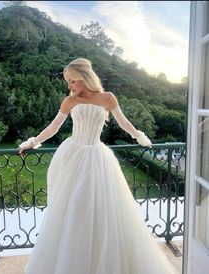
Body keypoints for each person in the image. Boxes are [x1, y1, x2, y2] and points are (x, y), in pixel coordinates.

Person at [18, 58, 177, 274]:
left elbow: (122, 122)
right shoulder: (70, 101)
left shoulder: (107, 98)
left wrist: (140, 136)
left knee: (100, 207)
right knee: (72, 207)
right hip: (73, 155)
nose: (69, 86)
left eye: (72, 81)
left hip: (96, 157)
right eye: (68, 82)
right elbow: (54, 127)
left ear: (84, 79)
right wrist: (33, 142)